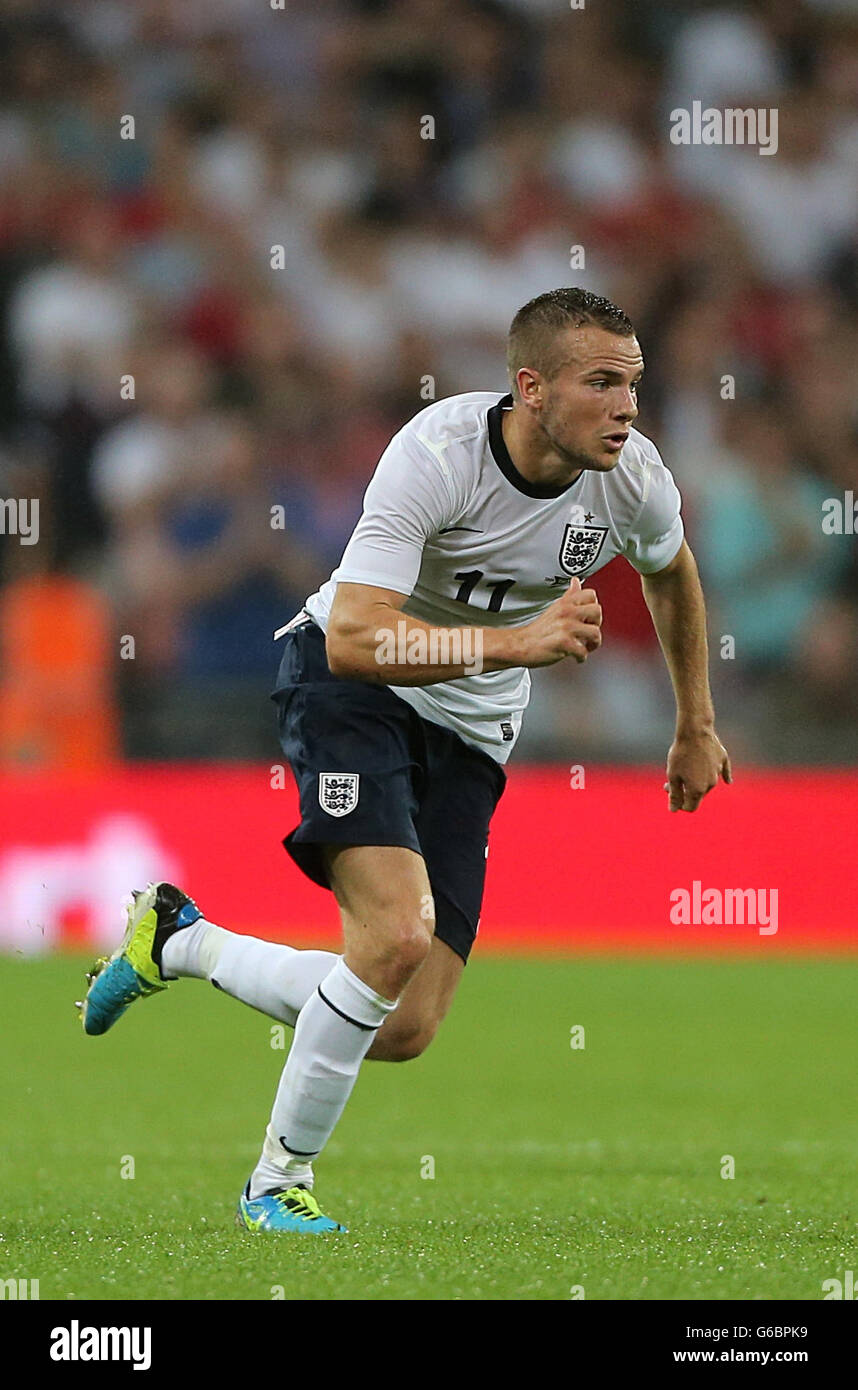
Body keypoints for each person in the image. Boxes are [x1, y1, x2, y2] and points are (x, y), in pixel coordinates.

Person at [78, 288, 731, 1233]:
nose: (628, 405)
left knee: (404, 1024)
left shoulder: (632, 477)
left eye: (634, 382)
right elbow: (352, 635)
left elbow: (671, 572)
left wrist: (695, 722)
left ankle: (176, 941)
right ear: (531, 388)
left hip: (471, 731)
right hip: (353, 690)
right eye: (602, 383)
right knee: (391, 937)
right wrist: (515, 645)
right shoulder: (437, 454)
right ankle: (275, 1185)